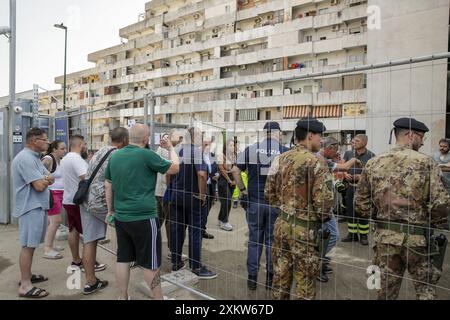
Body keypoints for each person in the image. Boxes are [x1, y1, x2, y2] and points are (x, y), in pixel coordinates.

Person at [355, 118, 450, 300]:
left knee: (385, 292)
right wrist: (428, 222)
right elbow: (441, 205)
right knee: (426, 292)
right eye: (421, 137)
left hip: (385, 239)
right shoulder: (427, 163)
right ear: (411, 135)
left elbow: (360, 204)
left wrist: (380, 219)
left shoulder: (374, 163)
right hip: (418, 240)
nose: (422, 142)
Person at [105, 124, 180, 300]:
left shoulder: (114, 156)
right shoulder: (147, 155)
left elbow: (108, 184)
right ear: (146, 139)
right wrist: (170, 148)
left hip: (121, 217)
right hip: (145, 218)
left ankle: (122, 297)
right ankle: (159, 298)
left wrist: (110, 211)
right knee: (151, 264)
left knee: (123, 258)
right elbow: (175, 168)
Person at [265, 118, 333, 300]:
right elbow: (324, 205)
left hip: (281, 225)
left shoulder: (280, 158)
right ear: (310, 136)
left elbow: (268, 193)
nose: (322, 140)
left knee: (280, 277)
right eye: (320, 136)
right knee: (305, 283)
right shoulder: (317, 163)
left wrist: (285, 207)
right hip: (306, 230)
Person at [232, 121, 289, 290]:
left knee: (254, 240)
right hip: (276, 204)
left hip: (255, 202)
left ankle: (252, 278)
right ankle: (270, 279)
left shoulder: (250, 149)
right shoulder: (285, 152)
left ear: (265, 133)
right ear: (277, 133)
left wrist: (243, 190)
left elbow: (235, 170)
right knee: (272, 241)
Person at [80, 127, 129, 295]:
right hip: (101, 202)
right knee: (126, 229)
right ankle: (130, 261)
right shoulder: (117, 155)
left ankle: (90, 282)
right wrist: (112, 209)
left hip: (87, 201)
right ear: (124, 140)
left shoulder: (101, 151)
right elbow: (113, 183)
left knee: (89, 240)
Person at [170, 127, 217, 279]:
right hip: (192, 197)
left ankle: (176, 263)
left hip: (177, 195)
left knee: (177, 230)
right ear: (193, 137)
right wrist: (202, 195)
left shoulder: (176, 150)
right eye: (200, 135)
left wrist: (172, 189)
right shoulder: (195, 151)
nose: (201, 137)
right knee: (195, 232)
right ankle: (196, 266)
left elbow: (167, 173)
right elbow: (202, 174)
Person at [13, 128, 55, 298]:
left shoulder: (34, 158)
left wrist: (44, 179)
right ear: (34, 141)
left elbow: (50, 177)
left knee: (31, 245)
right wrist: (44, 179)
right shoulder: (25, 159)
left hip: (37, 206)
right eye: (44, 140)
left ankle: (27, 276)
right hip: (30, 207)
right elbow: (39, 185)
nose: (47, 142)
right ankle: (25, 285)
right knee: (28, 246)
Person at [155, 129, 186, 259]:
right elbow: (169, 172)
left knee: (159, 221)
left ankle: (152, 247)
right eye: (178, 137)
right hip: (164, 192)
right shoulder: (165, 150)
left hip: (159, 192)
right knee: (170, 222)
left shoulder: (164, 149)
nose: (180, 140)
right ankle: (173, 251)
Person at [341, 134, 375, 245]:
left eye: (357, 140)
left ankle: (364, 236)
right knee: (350, 211)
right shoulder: (348, 154)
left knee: (363, 212)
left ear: (364, 143)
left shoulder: (371, 156)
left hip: (363, 190)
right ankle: (352, 235)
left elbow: (373, 174)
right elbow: (342, 167)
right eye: (353, 140)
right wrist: (345, 174)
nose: (353, 142)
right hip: (350, 187)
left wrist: (361, 177)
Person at [41, 140, 67, 259]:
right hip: (52, 194)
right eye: (62, 148)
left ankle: (49, 244)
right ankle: (48, 249)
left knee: (52, 222)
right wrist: (47, 179)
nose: (64, 150)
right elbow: (37, 172)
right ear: (54, 149)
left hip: (59, 193)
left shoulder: (59, 160)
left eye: (65, 148)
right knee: (56, 221)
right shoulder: (48, 159)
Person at [217, 139, 237, 231]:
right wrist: (229, 180)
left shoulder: (234, 156)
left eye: (233, 145)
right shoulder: (221, 155)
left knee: (226, 202)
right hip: (224, 180)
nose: (232, 147)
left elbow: (236, 169)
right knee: (227, 201)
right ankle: (224, 222)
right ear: (226, 147)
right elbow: (221, 169)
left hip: (232, 180)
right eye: (230, 145)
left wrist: (235, 180)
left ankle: (221, 219)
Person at [202, 137, 219, 240]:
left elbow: (215, 169)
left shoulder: (212, 156)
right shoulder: (198, 156)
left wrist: (217, 174)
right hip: (202, 187)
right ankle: (199, 230)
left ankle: (202, 229)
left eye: (209, 144)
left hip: (211, 186)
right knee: (202, 210)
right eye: (206, 144)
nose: (208, 146)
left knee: (207, 211)